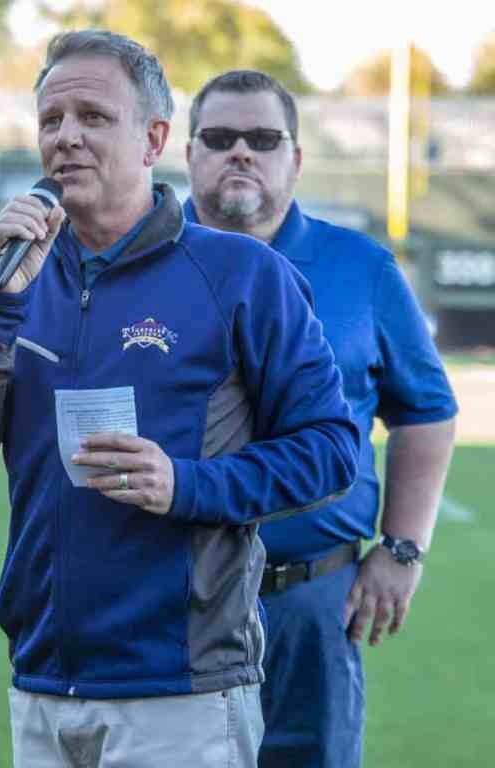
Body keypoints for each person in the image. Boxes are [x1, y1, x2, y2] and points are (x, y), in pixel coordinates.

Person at [0, 30, 359, 768]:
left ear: (153, 138)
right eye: (52, 121)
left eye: (92, 117)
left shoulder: (241, 274)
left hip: (181, 689)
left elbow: (331, 449)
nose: (66, 138)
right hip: (44, 681)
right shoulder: (16, 279)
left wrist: (186, 483)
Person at [184, 69, 458, 768]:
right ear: (187, 154)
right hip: (167, 598)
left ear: (296, 159)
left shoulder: (359, 268)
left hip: (311, 598)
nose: (240, 152)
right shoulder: (142, 260)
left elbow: (426, 410)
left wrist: (403, 550)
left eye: (263, 139)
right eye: (219, 138)